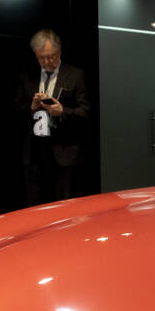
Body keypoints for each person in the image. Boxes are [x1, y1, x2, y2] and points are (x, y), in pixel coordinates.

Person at [16, 29, 91, 205]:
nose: (47, 61)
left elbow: (86, 111)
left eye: (51, 56)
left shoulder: (75, 75)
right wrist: (32, 108)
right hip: (34, 152)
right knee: (34, 204)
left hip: (64, 153)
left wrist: (62, 111)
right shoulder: (27, 76)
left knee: (64, 206)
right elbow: (16, 109)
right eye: (41, 57)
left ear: (59, 52)